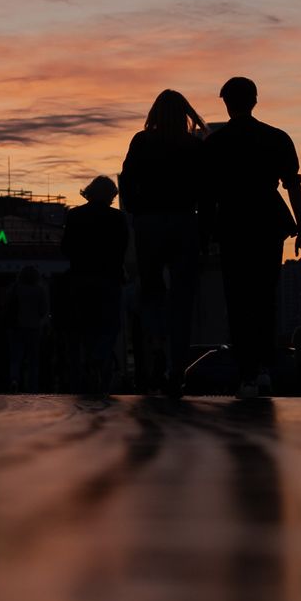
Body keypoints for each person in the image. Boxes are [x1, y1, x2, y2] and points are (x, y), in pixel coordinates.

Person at [203, 76, 301, 399]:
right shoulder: (276, 138)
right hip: (267, 220)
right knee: (266, 297)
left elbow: (206, 196)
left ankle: (248, 372)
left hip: (234, 222)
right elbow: (293, 186)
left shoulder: (215, 145)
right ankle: (263, 368)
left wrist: (204, 235)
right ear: (255, 100)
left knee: (238, 299)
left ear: (226, 103)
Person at [119, 89, 206, 396]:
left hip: (149, 222)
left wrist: (136, 209)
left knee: (152, 290)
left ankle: (156, 344)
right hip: (184, 220)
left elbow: (127, 180)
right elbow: (205, 190)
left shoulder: (141, 142)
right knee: (182, 298)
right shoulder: (194, 146)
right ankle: (178, 368)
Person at [61, 176, 129, 395]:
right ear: (111, 195)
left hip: (81, 279)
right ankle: (100, 360)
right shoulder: (118, 217)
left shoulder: (75, 215)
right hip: (109, 278)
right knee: (110, 326)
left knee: (87, 326)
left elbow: (66, 248)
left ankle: (92, 365)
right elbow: (121, 248)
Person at [6, 266, 49, 392]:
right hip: (34, 328)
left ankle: (14, 379)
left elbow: (8, 306)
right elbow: (43, 310)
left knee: (16, 358)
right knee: (33, 360)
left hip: (16, 327)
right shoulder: (39, 290)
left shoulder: (15, 288)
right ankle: (32, 387)